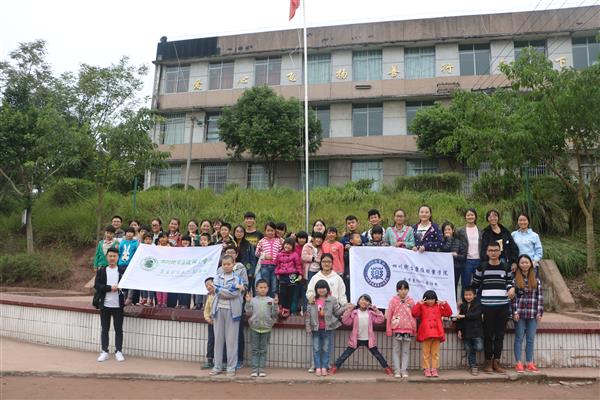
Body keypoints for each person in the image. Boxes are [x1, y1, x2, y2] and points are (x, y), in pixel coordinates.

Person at [471, 242, 515, 374]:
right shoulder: (482, 266)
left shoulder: (505, 266)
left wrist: (512, 288)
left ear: (500, 252)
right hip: (487, 306)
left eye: (496, 250)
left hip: (503, 306)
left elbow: (510, 282)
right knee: (488, 335)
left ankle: (497, 362)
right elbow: (475, 285)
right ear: (487, 252)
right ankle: (488, 362)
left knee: (500, 335)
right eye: (491, 250)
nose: (493, 252)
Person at [330, 294, 393, 376]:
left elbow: (380, 320)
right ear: (358, 301)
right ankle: (335, 367)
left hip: (368, 340)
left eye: (366, 300)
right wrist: (349, 310)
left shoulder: (371, 313)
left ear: (369, 303)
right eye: (362, 299)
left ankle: (387, 368)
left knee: (378, 355)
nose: (364, 302)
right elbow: (346, 321)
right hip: (356, 339)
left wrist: (376, 310)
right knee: (345, 354)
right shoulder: (354, 313)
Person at [209, 255, 244, 377]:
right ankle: (217, 366)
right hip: (218, 310)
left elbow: (235, 294)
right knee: (218, 339)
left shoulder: (238, 278)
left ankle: (231, 367)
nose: (226, 266)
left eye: (229, 264)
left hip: (233, 311)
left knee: (232, 340)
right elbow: (217, 290)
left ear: (233, 264)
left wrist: (220, 290)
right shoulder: (217, 277)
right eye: (224, 264)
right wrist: (230, 288)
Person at [305, 280, 345, 377]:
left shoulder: (332, 299)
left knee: (326, 348)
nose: (321, 290)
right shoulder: (312, 300)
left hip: (328, 328)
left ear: (327, 289)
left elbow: (337, 312)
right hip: (315, 328)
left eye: (323, 288)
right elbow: (308, 315)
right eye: (319, 288)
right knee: (316, 348)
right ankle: (318, 367)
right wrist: (308, 327)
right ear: (316, 289)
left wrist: (345, 307)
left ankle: (324, 367)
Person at [512, 255, 543, 373]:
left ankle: (530, 363)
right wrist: (514, 312)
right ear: (519, 265)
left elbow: (540, 297)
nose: (524, 265)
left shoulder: (536, 280)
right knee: (519, 338)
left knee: (530, 339)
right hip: (519, 314)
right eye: (522, 263)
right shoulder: (515, 280)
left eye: (526, 262)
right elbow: (513, 298)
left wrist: (539, 312)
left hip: (532, 313)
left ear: (530, 264)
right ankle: (518, 363)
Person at [94, 247, 126, 362]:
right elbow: (97, 285)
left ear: (118, 258)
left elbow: (127, 286)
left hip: (118, 305)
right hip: (105, 305)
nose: (112, 258)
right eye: (110, 256)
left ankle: (118, 351)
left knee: (118, 330)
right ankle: (104, 351)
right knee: (104, 329)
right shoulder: (102, 270)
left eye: (114, 256)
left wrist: (121, 287)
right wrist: (109, 288)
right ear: (107, 257)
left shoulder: (122, 271)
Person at [411, 290, 452, 377]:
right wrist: (418, 304)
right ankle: (426, 369)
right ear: (425, 299)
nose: (430, 301)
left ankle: (434, 369)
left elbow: (448, 313)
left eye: (432, 299)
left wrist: (445, 304)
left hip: (437, 334)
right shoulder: (422, 306)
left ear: (435, 299)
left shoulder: (439, 306)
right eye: (428, 299)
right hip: (426, 333)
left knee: (435, 353)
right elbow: (414, 314)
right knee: (425, 354)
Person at [245, 279, 279, 378]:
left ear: (268, 289)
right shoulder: (253, 300)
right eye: (261, 287)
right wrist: (247, 302)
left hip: (266, 328)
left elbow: (274, 314)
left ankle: (262, 369)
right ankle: (255, 369)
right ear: (256, 288)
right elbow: (248, 313)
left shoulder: (271, 301)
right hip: (254, 328)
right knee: (255, 349)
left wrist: (276, 304)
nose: (263, 289)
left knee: (263, 350)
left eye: (265, 287)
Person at [385, 280, 416, 378]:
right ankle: (397, 370)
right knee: (396, 350)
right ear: (397, 290)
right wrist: (388, 329)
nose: (403, 291)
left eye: (405, 289)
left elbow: (414, 316)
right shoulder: (393, 300)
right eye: (401, 289)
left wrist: (414, 329)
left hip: (408, 329)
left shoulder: (411, 301)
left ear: (408, 290)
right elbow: (389, 315)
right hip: (396, 329)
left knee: (406, 351)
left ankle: (404, 370)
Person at [455, 287, 484, 376]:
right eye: (466, 295)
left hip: (476, 331)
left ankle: (473, 354)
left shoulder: (478, 304)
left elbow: (476, 315)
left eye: (470, 295)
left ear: (474, 295)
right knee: (469, 350)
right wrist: (459, 330)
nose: (468, 296)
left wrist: (464, 316)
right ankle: (473, 367)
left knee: (479, 347)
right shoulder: (462, 306)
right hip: (466, 332)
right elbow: (459, 320)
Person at [456, 208, 482, 299]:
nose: (470, 217)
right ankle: (464, 303)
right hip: (467, 260)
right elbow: (456, 244)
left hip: (478, 260)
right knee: (465, 283)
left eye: (472, 215)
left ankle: (477, 303)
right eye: (468, 215)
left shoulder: (480, 230)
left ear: (475, 216)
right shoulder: (460, 231)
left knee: (478, 283)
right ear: (465, 217)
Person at [275, 238, 302, 317]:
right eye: (286, 244)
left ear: (293, 247)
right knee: (282, 292)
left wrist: (300, 274)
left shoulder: (295, 254)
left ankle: (287, 309)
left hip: (292, 275)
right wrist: (277, 273)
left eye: (290, 245)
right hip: (282, 275)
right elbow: (277, 265)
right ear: (284, 245)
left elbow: (298, 265)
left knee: (290, 293)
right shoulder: (279, 254)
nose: (288, 246)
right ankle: (282, 307)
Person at [255, 221, 282, 297]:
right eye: (268, 230)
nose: (270, 232)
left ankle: (273, 301)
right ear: (265, 231)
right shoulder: (262, 241)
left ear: (275, 231)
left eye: (272, 230)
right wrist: (264, 256)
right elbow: (256, 253)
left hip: (275, 267)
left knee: (274, 285)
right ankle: (265, 300)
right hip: (265, 266)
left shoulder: (278, 241)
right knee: (265, 284)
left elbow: (281, 252)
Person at [440, 221, 466, 296]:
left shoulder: (458, 241)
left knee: (454, 286)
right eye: (445, 230)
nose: (447, 231)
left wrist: (457, 255)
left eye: (449, 229)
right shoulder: (441, 241)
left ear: (453, 230)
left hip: (455, 268)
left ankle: (454, 301)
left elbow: (463, 256)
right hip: (443, 268)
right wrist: (448, 239)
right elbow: (444, 249)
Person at [120, 227, 140, 305]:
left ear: (133, 234)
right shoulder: (122, 242)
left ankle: (129, 298)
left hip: (131, 265)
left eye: (131, 232)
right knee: (123, 281)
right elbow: (120, 252)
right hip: (121, 264)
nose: (129, 234)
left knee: (130, 282)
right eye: (127, 232)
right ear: (125, 233)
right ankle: (124, 297)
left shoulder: (135, 243)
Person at [234, 225, 257, 291]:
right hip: (232, 270)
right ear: (234, 233)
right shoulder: (231, 243)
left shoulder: (248, 245)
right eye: (237, 231)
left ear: (244, 233)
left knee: (245, 290)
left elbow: (252, 259)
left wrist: (250, 272)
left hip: (245, 270)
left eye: (241, 232)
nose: (239, 233)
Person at [343, 232, 362, 301]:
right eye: (357, 237)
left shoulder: (364, 250)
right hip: (349, 274)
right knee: (348, 290)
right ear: (351, 240)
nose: (359, 239)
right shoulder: (347, 251)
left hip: (360, 275)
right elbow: (345, 261)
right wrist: (350, 251)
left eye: (360, 238)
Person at [202, 277, 216, 369]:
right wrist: (208, 319)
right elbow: (206, 310)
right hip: (211, 322)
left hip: (220, 322)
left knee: (222, 341)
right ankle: (210, 360)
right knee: (211, 340)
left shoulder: (221, 295)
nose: (208, 287)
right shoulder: (209, 296)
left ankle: (223, 361)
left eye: (209, 284)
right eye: (206, 286)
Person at [140, 233, 155, 306]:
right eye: (146, 239)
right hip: (144, 268)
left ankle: (150, 300)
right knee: (143, 283)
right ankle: (144, 298)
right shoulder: (141, 247)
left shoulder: (155, 247)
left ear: (152, 240)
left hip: (152, 268)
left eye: (149, 239)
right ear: (143, 240)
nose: (148, 241)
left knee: (150, 284)